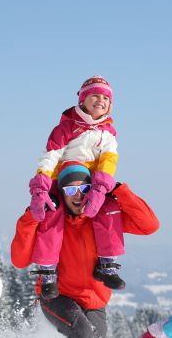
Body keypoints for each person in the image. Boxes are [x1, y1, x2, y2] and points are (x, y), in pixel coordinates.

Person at [11, 162, 159, 338]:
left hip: (94, 301)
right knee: (81, 331)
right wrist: (31, 217)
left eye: (84, 188)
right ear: (61, 192)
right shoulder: (50, 217)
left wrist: (119, 189)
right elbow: (19, 260)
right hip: (57, 295)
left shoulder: (103, 217)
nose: (78, 196)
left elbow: (150, 225)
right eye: (70, 190)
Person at [27, 75, 125, 299]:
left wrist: (100, 190)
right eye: (95, 96)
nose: (100, 100)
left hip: (92, 183)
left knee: (108, 210)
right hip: (63, 181)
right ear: (82, 100)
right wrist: (40, 188)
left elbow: (108, 162)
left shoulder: (108, 133)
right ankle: (48, 271)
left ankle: (107, 263)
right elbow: (50, 157)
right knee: (53, 215)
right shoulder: (66, 128)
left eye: (105, 98)